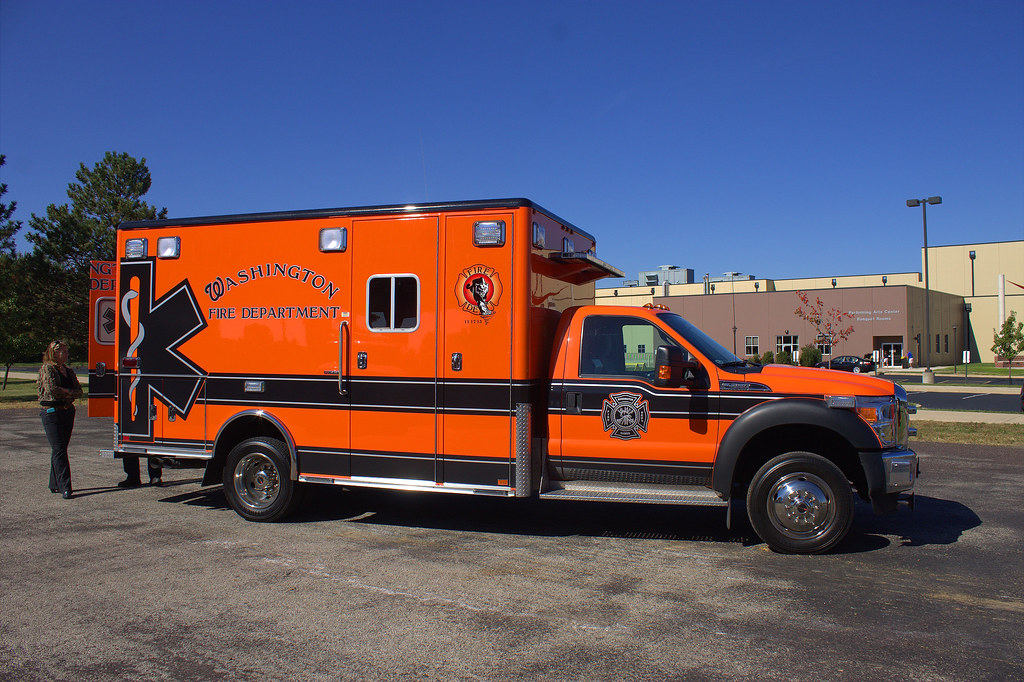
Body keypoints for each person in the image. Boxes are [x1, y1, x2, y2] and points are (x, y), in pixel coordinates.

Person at [37, 340, 83, 499]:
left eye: (67, 352)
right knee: (59, 449)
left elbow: (79, 391)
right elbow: (52, 390)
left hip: (67, 411)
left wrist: (68, 392)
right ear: (54, 354)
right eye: (63, 352)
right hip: (51, 412)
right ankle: (65, 486)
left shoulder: (68, 371)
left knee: (61, 448)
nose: (67, 354)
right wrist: (70, 392)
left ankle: (54, 483)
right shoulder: (47, 369)